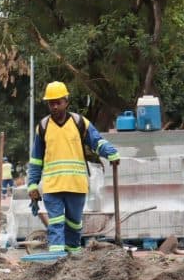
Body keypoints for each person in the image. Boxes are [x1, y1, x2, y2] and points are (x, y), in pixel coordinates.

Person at [28, 81, 120, 255]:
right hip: (53, 186)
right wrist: (32, 184)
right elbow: (36, 159)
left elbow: (96, 141)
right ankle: (56, 259)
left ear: (66, 101)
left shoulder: (79, 123)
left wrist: (110, 152)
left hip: (76, 185)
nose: (54, 106)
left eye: (58, 102)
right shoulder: (43, 127)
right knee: (55, 223)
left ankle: (73, 259)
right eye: (51, 103)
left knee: (74, 224)